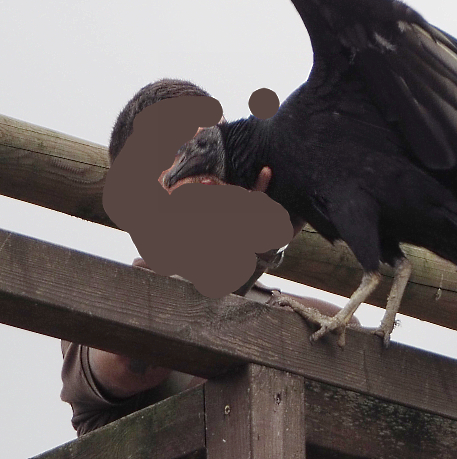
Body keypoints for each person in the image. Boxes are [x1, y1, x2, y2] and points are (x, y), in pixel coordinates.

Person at [59, 80, 351, 436]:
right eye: (181, 150)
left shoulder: (312, 316)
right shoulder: (104, 305)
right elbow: (136, 360)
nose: (210, 168)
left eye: (216, 143)